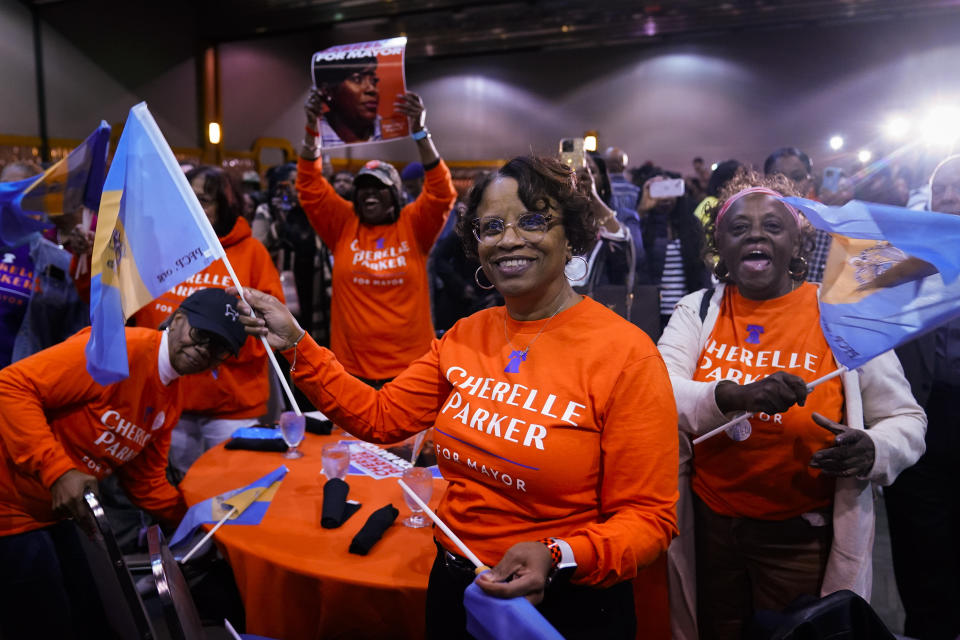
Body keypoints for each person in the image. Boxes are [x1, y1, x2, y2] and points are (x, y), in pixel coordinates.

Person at [236, 155, 679, 639]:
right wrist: (298, 344)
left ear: (570, 234)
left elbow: (648, 520)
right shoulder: (467, 335)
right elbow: (380, 417)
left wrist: (559, 554)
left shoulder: (626, 355)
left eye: (533, 220)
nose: (509, 238)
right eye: (492, 227)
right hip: (455, 586)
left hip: (565, 600)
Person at [657, 170, 926, 640]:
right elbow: (656, 390)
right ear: (719, 243)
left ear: (797, 242)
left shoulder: (842, 315)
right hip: (711, 527)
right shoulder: (697, 310)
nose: (756, 234)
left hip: (802, 537)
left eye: (773, 226)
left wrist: (874, 449)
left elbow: (906, 418)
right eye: (739, 228)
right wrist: (734, 395)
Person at [0, 287, 248, 639]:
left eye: (218, 348)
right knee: (45, 618)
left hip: (53, 511)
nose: (203, 350)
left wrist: (204, 525)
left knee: (95, 615)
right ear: (177, 320)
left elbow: (145, 482)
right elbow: (10, 386)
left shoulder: (172, 393)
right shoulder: (120, 351)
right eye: (200, 334)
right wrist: (58, 469)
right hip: (10, 504)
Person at [298, 88, 457, 385]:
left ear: (395, 195)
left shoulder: (414, 225)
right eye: (363, 188)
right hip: (351, 369)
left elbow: (441, 192)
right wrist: (312, 129)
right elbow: (309, 185)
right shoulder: (343, 222)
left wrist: (420, 133)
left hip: (411, 369)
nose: (369, 194)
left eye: (379, 187)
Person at [134, 166, 284, 475]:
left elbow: (270, 332)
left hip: (231, 409)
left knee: (234, 499)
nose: (193, 206)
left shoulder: (251, 253)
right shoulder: (158, 249)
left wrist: (214, 347)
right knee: (178, 496)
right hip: (168, 403)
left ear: (225, 204)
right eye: (187, 198)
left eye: (203, 199)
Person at [886, 154, 960, 640]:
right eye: (944, 190)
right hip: (918, 415)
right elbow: (854, 304)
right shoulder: (899, 249)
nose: (951, 199)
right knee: (919, 544)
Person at [634, 166, 710, 328]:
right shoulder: (643, 224)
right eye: (660, 190)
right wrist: (641, 211)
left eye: (669, 188)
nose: (665, 195)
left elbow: (702, 268)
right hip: (650, 309)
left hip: (686, 310)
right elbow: (631, 255)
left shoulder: (690, 224)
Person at [313, 54, 382, 145]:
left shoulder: (389, 129)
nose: (372, 89)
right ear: (327, 91)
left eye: (373, 81)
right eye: (357, 79)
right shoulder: (312, 138)